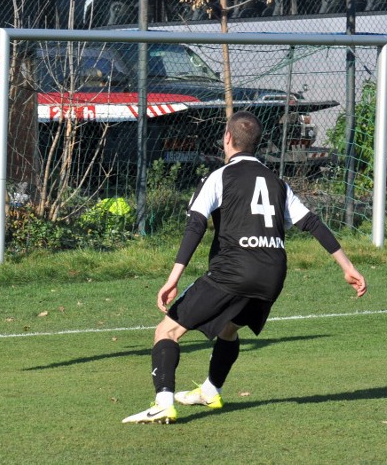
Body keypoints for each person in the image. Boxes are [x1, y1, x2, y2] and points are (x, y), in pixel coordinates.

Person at [122, 110, 367, 424]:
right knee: (229, 328)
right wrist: (347, 267)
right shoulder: (278, 183)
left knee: (166, 330)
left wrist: (173, 279)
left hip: (234, 271)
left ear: (227, 138)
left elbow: (195, 226)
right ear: (257, 143)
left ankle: (163, 402)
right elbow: (313, 223)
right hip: (273, 274)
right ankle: (211, 390)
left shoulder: (220, 176)